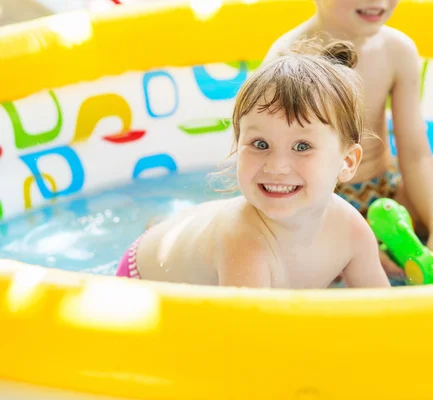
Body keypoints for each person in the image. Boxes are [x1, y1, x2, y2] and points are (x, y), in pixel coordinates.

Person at [264, 0, 433, 278]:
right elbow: (278, 173)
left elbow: (415, 155)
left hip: (385, 191)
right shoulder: (287, 61)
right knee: (327, 272)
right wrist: (354, 242)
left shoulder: (395, 51)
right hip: (316, 205)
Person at [115, 41, 391, 289]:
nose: (277, 166)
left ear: (347, 161)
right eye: (260, 144)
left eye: (302, 147)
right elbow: (251, 342)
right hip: (140, 287)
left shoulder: (351, 230)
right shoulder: (246, 245)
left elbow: (386, 315)